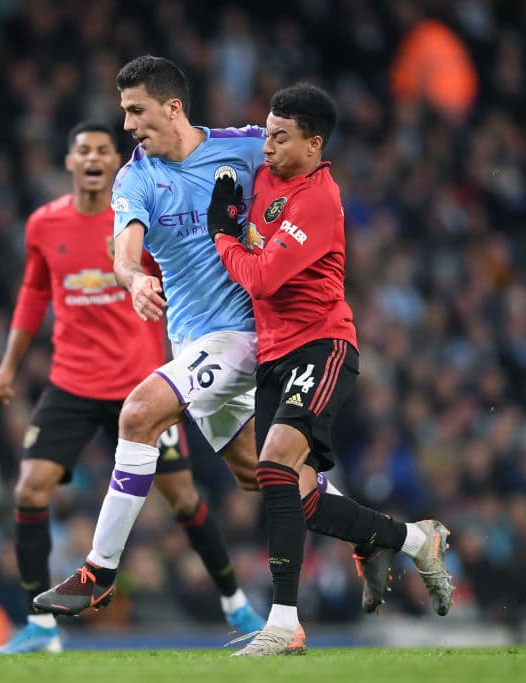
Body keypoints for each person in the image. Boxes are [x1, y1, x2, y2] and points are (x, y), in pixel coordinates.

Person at [32, 57, 419, 629]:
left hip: (245, 334)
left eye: (136, 111)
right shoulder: (135, 178)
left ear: (172, 107)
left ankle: (98, 571)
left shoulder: (243, 148)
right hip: (192, 345)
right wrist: (135, 277)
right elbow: (124, 251)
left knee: (138, 414)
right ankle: (393, 539)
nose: (128, 125)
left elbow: (303, 189)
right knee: (264, 477)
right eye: (123, 113)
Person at [0, 121, 263, 654]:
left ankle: (236, 605)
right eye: (81, 149)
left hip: (137, 381)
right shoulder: (43, 224)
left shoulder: (141, 210)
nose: (91, 157)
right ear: (69, 162)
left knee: (184, 500)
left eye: (102, 150)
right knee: (28, 491)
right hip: (70, 382)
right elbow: (33, 295)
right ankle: (41, 629)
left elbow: (186, 269)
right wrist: (7, 366)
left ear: (116, 164)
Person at [207, 84, 454, 656]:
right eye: (266, 133)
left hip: (322, 346)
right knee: (303, 498)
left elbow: (262, 277)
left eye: (280, 137)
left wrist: (223, 231)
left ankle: (285, 623)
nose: (266, 146)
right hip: (273, 355)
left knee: (271, 464)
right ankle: (416, 540)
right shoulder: (264, 174)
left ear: (314, 144)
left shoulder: (318, 199)